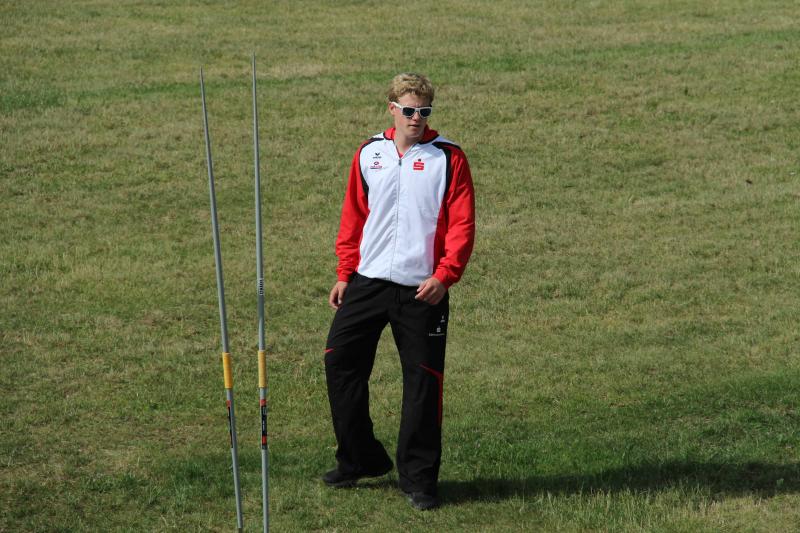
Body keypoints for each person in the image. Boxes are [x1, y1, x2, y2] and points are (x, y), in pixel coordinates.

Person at [322, 72, 475, 510]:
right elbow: (354, 215)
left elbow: (462, 224)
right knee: (339, 361)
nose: (416, 118)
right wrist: (345, 273)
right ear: (392, 108)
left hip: (423, 289)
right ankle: (360, 458)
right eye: (408, 110)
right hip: (367, 282)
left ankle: (419, 480)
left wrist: (445, 276)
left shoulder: (449, 158)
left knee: (423, 383)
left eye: (424, 111)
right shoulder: (369, 153)